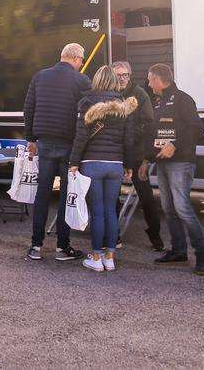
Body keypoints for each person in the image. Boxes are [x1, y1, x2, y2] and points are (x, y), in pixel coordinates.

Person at [23, 43, 90, 262]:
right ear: (77, 58)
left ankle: (36, 246)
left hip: (44, 142)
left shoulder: (40, 77)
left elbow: (29, 108)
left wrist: (31, 139)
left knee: (42, 194)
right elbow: (88, 112)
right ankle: (63, 247)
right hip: (69, 145)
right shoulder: (81, 80)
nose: (81, 64)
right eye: (81, 60)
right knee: (65, 196)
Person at [68, 66, 137, 272]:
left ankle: (96, 258)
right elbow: (129, 140)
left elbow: (80, 137)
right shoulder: (125, 106)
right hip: (115, 165)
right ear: (115, 82)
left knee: (97, 212)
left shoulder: (86, 103)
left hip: (92, 164)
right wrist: (129, 165)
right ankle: (110, 258)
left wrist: (73, 162)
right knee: (111, 212)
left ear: (96, 80)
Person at [147, 63, 204, 276]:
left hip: (181, 162)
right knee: (168, 208)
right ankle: (178, 250)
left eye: (149, 79)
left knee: (182, 207)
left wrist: (174, 145)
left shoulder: (183, 99)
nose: (148, 83)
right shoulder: (157, 102)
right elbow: (153, 134)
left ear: (157, 80)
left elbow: (196, 129)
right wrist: (146, 159)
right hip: (161, 162)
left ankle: (202, 255)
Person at [113, 61, 165, 252]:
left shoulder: (140, 94)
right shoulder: (110, 93)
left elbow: (148, 122)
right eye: (119, 75)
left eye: (125, 75)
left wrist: (131, 138)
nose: (122, 78)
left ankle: (155, 236)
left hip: (135, 152)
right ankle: (113, 235)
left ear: (130, 74)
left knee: (146, 196)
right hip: (115, 152)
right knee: (112, 195)